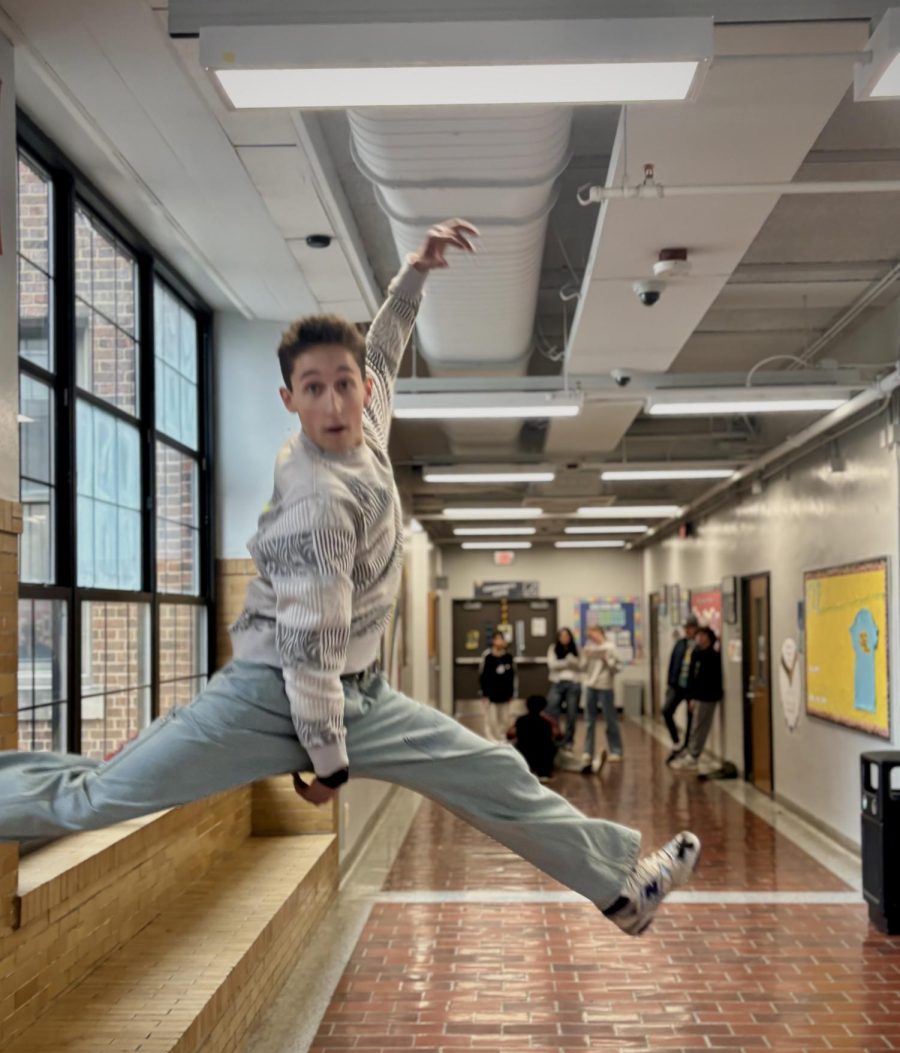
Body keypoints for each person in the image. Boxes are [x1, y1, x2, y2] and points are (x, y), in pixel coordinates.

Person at [0, 219, 700, 938]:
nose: (333, 404)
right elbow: (308, 658)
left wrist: (415, 272)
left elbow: (388, 343)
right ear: (289, 399)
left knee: (491, 771)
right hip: (273, 693)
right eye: (313, 389)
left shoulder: (366, 424)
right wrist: (330, 768)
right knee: (99, 796)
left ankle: (620, 891)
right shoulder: (318, 503)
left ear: (364, 389)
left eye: (344, 384)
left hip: (358, 694)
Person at [671, 626, 723, 773]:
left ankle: (694, 755)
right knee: (694, 726)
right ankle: (690, 751)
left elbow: (710, 679)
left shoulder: (713, 656)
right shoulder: (696, 654)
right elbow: (692, 678)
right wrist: (690, 697)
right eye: (698, 635)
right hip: (696, 696)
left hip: (708, 696)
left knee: (700, 726)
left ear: (709, 638)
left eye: (702, 635)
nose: (699, 638)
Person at [581, 625, 623, 773]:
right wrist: (585, 657)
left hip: (605, 686)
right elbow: (583, 668)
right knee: (589, 720)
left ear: (600, 633)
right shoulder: (589, 647)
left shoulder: (611, 647)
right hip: (590, 685)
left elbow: (617, 668)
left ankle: (616, 750)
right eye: (589, 636)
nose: (591, 638)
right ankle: (587, 751)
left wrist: (607, 661)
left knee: (610, 719)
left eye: (593, 635)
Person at [662, 614, 699, 755]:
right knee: (666, 711)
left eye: (690, 627)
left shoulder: (698, 645)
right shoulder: (680, 644)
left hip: (692, 688)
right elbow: (673, 664)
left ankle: (688, 746)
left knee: (691, 718)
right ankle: (676, 741)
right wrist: (669, 683)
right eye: (686, 627)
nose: (687, 630)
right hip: (677, 685)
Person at [507, 694, 559, 782]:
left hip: (524, 754)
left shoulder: (521, 720)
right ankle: (544, 772)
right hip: (542, 756)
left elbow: (509, 735)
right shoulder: (547, 722)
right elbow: (559, 736)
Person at [546, 627, 582, 749]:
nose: (564, 638)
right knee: (551, 710)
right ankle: (555, 737)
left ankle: (568, 741)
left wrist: (570, 662)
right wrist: (568, 662)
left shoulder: (576, 648)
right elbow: (552, 665)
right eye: (561, 636)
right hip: (557, 683)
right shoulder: (553, 648)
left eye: (566, 636)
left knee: (571, 714)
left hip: (573, 684)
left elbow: (581, 666)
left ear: (570, 637)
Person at [479, 631, 515, 743]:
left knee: (504, 718)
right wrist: (484, 693)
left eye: (501, 639)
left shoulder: (508, 657)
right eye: (496, 639)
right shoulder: (487, 657)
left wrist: (512, 692)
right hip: (490, 693)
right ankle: (491, 739)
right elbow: (483, 675)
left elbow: (513, 676)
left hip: (505, 692)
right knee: (491, 718)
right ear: (493, 641)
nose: (499, 641)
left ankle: (502, 737)